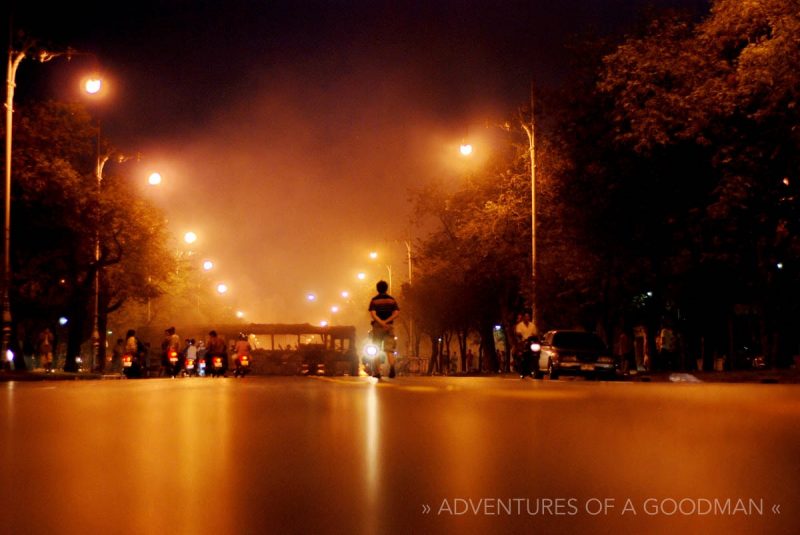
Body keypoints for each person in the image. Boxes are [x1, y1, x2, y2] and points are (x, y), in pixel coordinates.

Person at [368, 280, 400, 379]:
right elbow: (396, 313)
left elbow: (373, 314)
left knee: (376, 349)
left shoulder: (374, 300)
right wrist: (387, 321)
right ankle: (392, 368)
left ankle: (377, 372)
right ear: (387, 288)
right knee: (389, 350)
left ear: (377, 289)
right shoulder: (392, 300)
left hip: (377, 327)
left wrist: (381, 322)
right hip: (389, 327)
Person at [514, 311, 537, 377]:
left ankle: (533, 369)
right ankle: (521, 370)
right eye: (526, 316)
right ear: (523, 318)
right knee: (521, 355)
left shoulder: (532, 325)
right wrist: (521, 339)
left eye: (528, 316)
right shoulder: (519, 326)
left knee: (536, 353)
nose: (527, 318)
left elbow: (535, 334)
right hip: (523, 343)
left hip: (531, 343)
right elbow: (518, 334)